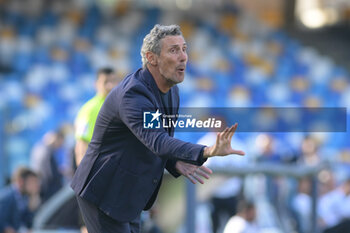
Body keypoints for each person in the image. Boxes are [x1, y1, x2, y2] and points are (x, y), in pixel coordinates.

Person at [71, 24, 245, 233]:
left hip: (128, 194)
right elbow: (157, 140)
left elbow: (153, 140)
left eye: (184, 49)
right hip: (104, 192)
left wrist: (174, 162)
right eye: (173, 50)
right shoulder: (133, 95)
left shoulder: (172, 93)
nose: (183, 57)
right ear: (151, 57)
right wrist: (207, 151)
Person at [74, 67, 118, 166]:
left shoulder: (122, 106)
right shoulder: (88, 109)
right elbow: (81, 143)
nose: (110, 85)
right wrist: (83, 171)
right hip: (99, 166)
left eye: (113, 81)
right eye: (105, 82)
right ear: (96, 84)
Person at [0, 167, 40, 233]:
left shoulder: (25, 197)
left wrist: (32, 206)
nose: (35, 185)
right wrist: (7, 228)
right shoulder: (6, 197)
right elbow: (2, 221)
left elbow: (27, 222)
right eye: (32, 181)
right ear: (21, 181)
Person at [30, 129, 64, 203]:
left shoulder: (38, 149)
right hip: (49, 190)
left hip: (41, 188)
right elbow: (50, 174)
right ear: (56, 139)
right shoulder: (47, 152)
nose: (60, 146)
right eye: (61, 143)